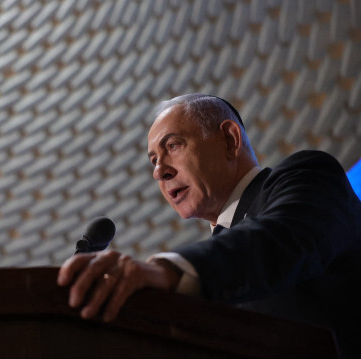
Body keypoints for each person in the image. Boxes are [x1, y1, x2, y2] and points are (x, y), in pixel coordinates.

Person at [57, 94, 361, 357]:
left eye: (173, 145)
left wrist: (168, 270)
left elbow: (279, 240)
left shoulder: (308, 176)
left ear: (230, 139)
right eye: (153, 160)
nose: (159, 171)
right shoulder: (215, 257)